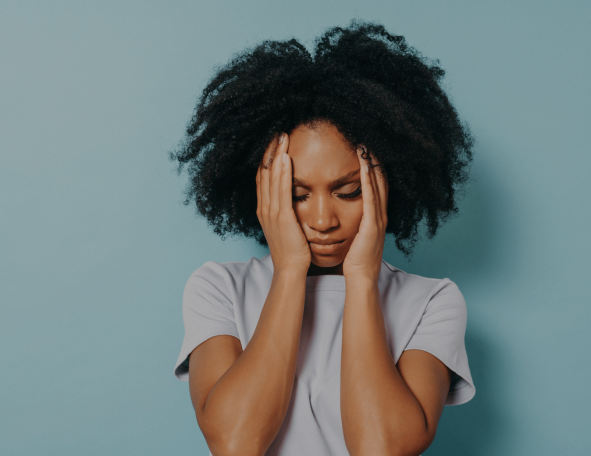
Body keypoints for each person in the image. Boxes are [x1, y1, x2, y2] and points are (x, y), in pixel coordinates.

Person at [170, 21, 475, 456]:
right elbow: (235, 444)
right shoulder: (218, 288)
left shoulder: (433, 303)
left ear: (391, 183)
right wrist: (290, 270)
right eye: (297, 195)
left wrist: (363, 280)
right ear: (262, 194)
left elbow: (381, 449)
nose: (322, 219)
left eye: (348, 191)